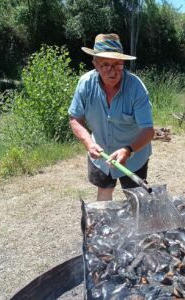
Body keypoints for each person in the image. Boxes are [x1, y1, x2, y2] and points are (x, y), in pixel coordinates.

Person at [68, 33, 155, 201]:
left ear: (123, 64)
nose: (112, 71)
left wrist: (128, 150)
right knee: (104, 193)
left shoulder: (136, 88)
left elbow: (148, 130)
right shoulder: (85, 84)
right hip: (100, 154)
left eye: (117, 64)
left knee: (136, 198)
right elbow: (75, 119)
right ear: (95, 64)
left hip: (133, 155)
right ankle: (103, 225)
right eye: (105, 64)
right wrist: (89, 143)